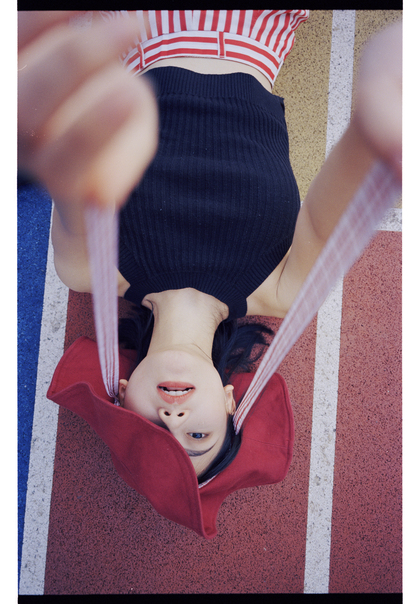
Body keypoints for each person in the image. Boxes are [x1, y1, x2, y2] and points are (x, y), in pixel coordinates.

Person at [18, 11, 402, 530]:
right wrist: (378, 118)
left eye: (154, 431)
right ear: (228, 403)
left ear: (123, 393)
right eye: (198, 437)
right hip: (257, 26)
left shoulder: (90, 268)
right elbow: (335, 201)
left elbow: (69, 167)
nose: (174, 419)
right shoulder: (281, 289)